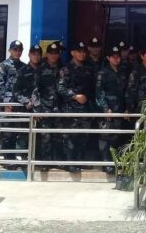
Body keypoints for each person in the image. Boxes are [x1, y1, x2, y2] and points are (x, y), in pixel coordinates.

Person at [58, 41, 95, 173]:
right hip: (71, 109)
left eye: (84, 51)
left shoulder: (89, 69)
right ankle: (70, 163)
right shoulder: (66, 69)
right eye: (79, 51)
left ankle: (80, 161)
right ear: (73, 53)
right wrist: (74, 96)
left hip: (85, 109)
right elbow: (61, 88)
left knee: (83, 137)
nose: (82, 54)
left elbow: (92, 89)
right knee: (70, 137)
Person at [0, 40, 26, 169]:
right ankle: (8, 160)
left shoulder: (24, 66)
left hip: (20, 104)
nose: (17, 52)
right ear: (10, 51)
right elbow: (0, 86)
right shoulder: (3, 66)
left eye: (19, 50)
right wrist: (7, 103)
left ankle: (14, 157)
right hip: (8, 105)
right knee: (7, 133)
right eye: (15, 50)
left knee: (18, 132)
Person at [96, 46, 127, 173]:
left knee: (116, 136)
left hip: (118, 109)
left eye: (118, 56)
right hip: (107, 110)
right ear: (108, 58)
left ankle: (114, 161)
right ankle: (105, 162)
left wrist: (126, 108)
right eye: (113, 57)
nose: (116, 59)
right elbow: (99, 92)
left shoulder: (122, 72)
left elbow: (124, 91)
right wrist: (105, 108)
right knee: (105, 136)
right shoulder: (102, 73)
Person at [33, 42, 62, 170]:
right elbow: (34, 89)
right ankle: (45, 162)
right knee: (45, 136)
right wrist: (37, 108)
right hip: (45, 107)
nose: (54, 56)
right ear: (47, 54)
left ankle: (57, 161)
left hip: (59, 107)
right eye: (51, 53)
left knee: (58, 135)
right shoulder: (40, 68)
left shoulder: (63, 67)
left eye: (56, 53)